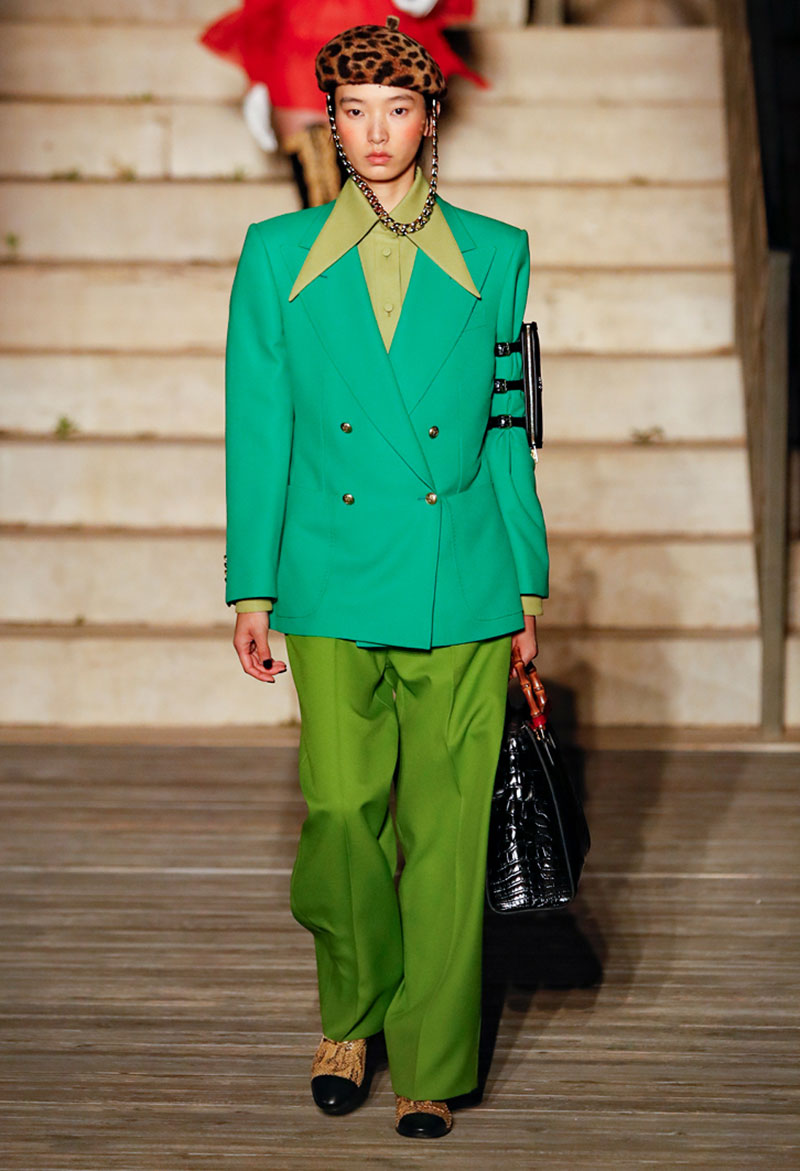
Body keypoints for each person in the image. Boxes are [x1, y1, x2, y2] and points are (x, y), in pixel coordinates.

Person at [224, 16, 549, 1139]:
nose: (374, 132)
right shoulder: (277, 255)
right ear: (330, 120)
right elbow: (259, 428)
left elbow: (508, 428)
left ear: (429, 118)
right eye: (354, 111)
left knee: (449, 830)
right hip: (327, 569)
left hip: (463, 571)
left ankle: (430, 1060)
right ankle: (349, 1015)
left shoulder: (495, 252)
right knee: (342, 808)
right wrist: (251, 587)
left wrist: (526, 585)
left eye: (396, 109)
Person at [198, 0, 485, 206]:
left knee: (384, 194)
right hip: (301, 47)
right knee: (321, 193)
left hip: (378, 41)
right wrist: (259, 76)